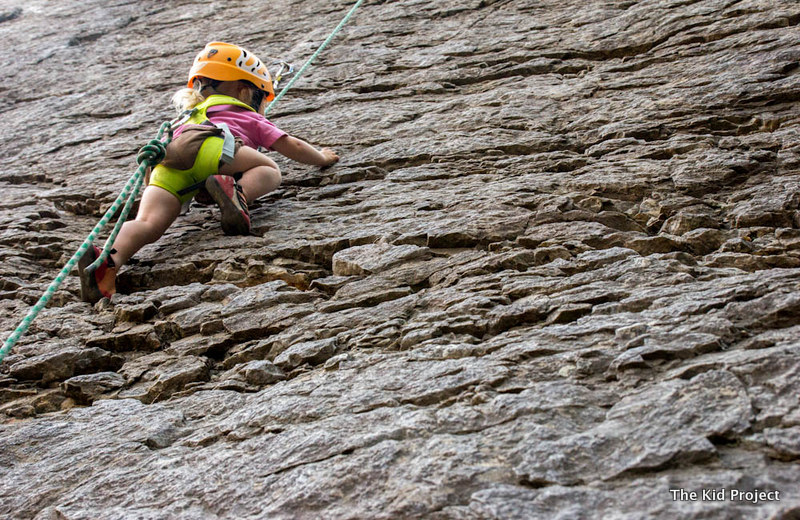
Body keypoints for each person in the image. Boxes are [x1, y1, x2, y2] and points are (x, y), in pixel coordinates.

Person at [78, 42, 339, 304]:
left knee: (148, 223)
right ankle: (237, 194)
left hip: (168, 160)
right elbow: (289, 144)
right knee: (269, 169)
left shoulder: (186, 116)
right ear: (245, 91)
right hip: (213, 148)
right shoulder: (242, 113)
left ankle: (108, 262)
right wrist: (321, 157)